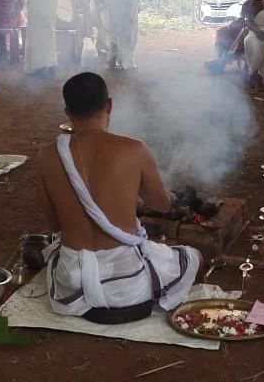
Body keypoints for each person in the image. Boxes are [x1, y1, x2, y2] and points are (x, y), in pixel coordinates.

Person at [37, 73, 201, 320]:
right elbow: (163, 205)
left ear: (68, 112)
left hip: (70, 289)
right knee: (191, 256)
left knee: (55, 254)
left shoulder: (47, 155)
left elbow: (55, 224)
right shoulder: (134, 149)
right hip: (127, 289)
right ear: (109, 106)